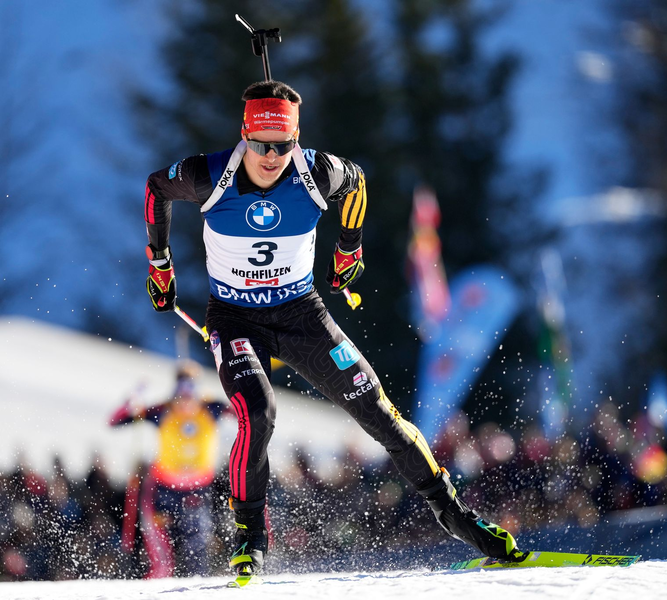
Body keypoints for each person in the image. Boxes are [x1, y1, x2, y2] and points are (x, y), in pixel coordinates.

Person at [143, 80, 524, 579]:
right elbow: (155, 188)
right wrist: (160, 264)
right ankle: (250, 538)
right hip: (236, 319)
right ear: (244, 136)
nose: (271, 156)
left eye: (283, 145)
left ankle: (455, 516)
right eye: (261, 144)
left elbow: (357, 183)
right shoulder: (209, 174)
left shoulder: (315, 171)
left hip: (303, 314)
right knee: (257, 410)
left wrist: (349, 250)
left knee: (379, 412)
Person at [108, 360, 230, 577]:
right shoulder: (162, 411)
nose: (185, 401)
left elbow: (248, 413)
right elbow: (115, 421)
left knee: (197, 552)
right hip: (163, 492)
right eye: (180, 394)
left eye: (191, 392)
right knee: (162, 560)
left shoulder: (212, 408)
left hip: (197, 490)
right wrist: (131, 400)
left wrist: (233, 390)